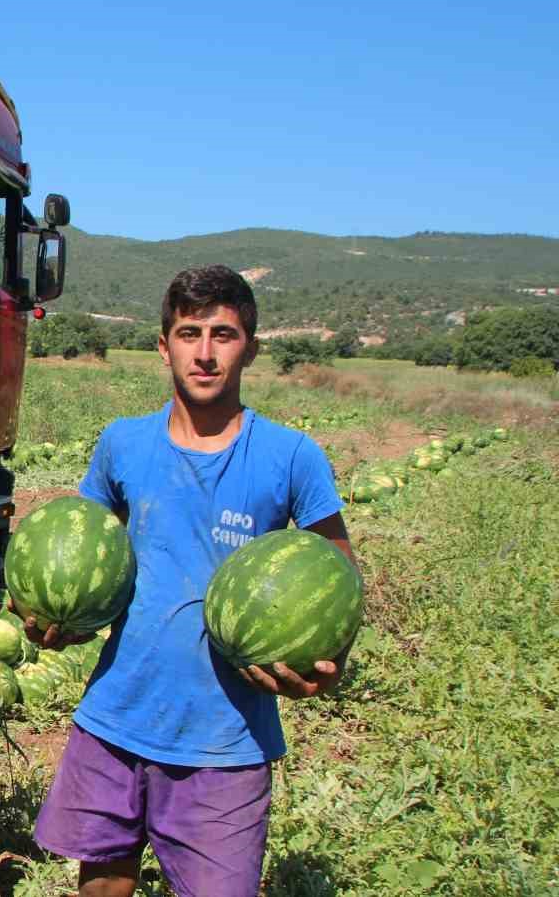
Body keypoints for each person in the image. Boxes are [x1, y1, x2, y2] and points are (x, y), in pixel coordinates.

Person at [25, 264, 356, 897]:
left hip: (225, 738)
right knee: (101, 883)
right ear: (163, 344)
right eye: (188, 333)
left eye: (223, 335)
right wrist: (57, 616)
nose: (204, 353)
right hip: (116, 715)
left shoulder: (291, 456)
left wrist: (328, 662)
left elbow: (337, 569)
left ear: (251, 348)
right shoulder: (122, 444)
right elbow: (81, 545)